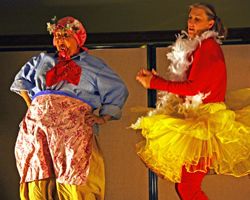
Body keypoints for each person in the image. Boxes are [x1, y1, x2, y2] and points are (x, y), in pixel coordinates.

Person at [132, 3, 250, 200]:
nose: (191, 23)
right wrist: (158, 81)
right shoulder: (200, 48)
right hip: (200, 121)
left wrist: (156, 82)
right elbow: (193, 91)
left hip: (206, 126)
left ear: (210, 23)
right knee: (186, 187)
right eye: (190, 18)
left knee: (188, 188)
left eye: (197, 19)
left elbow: (194, 87)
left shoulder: (208, 47)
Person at [10, 16, 128, 200]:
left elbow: (117, 89)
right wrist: (33, 108)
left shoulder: (93, 65)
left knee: (75, 183)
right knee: (38, 179)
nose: (59, 40)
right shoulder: (43, 60)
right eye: (57, 35)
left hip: (72, 131)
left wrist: (104, 117)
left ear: (78, 38)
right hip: (38, 130)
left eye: (65, 35)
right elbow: (21, 82)